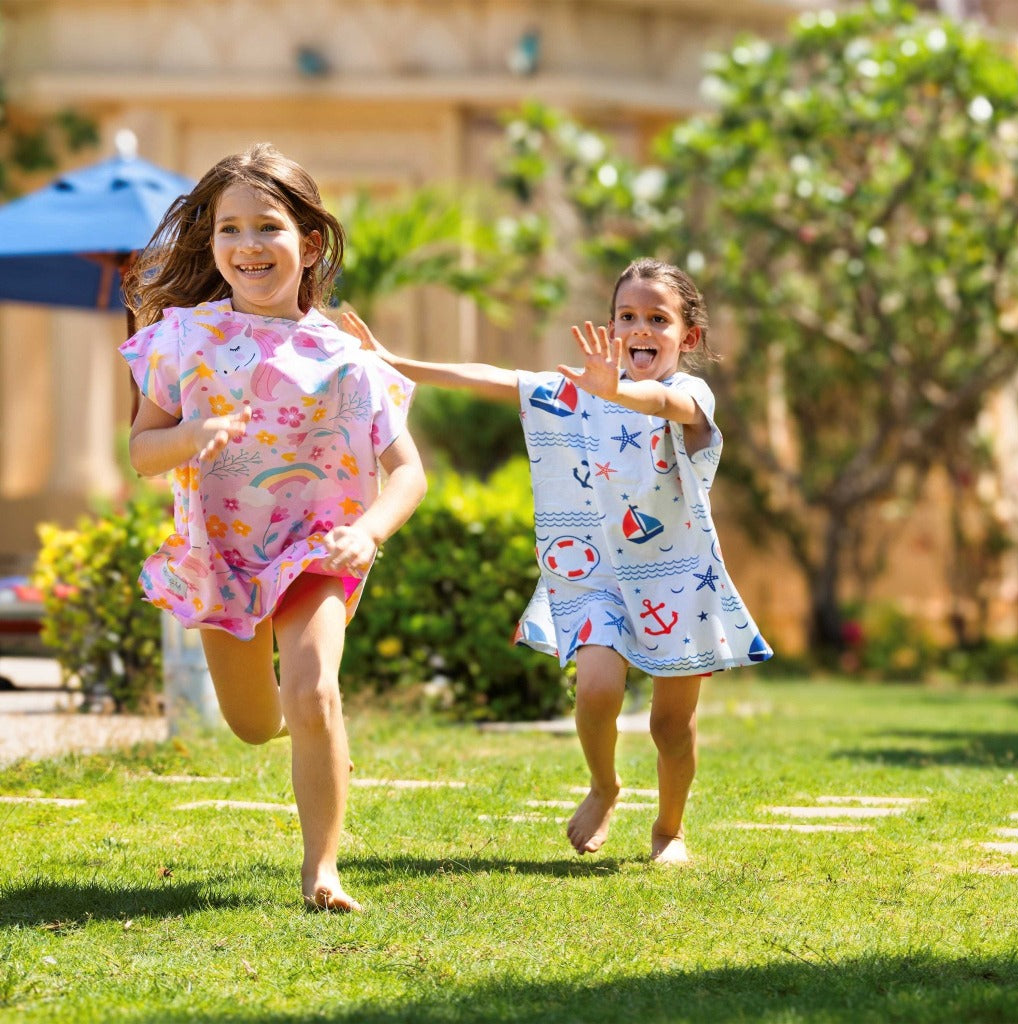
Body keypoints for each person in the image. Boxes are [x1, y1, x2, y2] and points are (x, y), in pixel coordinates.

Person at [344, 257, 772, 864]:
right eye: (627, 316)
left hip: (679, 578)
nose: (640, 329)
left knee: (671, 728)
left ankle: (670, 829)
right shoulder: (577, 391)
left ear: (689, 337)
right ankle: (604, 785)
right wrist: (395, 362)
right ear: (610, 325)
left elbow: (665, 406)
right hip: (598, 574)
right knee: (597, 687)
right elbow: (494, 377)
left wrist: (618, 390)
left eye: (658, 318)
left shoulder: (688, 391)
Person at [119, 144, 426, 911]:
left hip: (318, 548)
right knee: (257, 725)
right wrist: (190, 437)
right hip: (220, 551)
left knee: (316, 690)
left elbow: (409, 472)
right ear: (212, 243)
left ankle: (322, 870)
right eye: (229, 230)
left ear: (309, 242)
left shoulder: (348, 358)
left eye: (268, 227)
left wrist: (371, 533)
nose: (248, 246)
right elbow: (140, 454)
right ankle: (303, 735)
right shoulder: (182, 340)